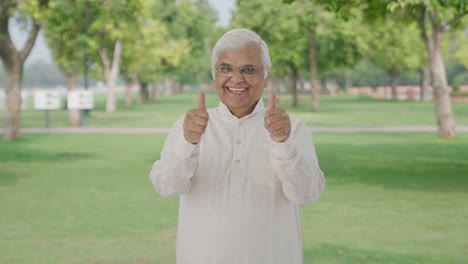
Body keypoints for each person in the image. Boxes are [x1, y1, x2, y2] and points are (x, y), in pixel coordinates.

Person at [149, 28, 325, 264]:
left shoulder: (292, 128)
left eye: (248, 69)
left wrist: (283, 144)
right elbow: (165, 186)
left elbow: (307, 193)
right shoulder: (189, 126)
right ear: (215, 76)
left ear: (266, 78)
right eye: (226, 69)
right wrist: (188, 143)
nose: (237, 78)